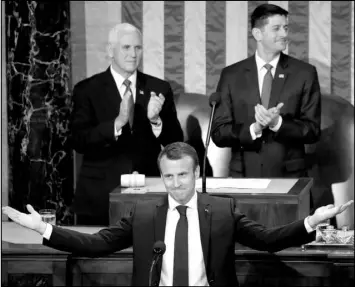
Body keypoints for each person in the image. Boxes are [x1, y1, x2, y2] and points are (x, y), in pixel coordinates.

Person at [3, 142, 353, 287]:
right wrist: (43, 229)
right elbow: (96, 244)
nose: (175, 183)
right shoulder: (142, 213)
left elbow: (267, 240)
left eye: (182, 174)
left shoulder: (221, 209)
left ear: (196, 172)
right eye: (168, 176)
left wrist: (311, 221)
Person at [70, 23, 183, 225]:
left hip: (148, 193)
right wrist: (117, 123)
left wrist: (156, 120)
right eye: (126, 47)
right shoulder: (87, 89)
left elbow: (176, 141)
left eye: (137, 48)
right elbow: (79, 140)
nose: (133, 54)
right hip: (100, 197)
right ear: (110, 51)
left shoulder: (159, 88)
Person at [211, 4, 321, 179]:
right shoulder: (231, 75)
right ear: (257, 34)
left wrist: (278, 123)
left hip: (289, 178)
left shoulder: (305, 73)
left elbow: (312, 130)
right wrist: (254, 128)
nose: (284, 34)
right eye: (276, 29)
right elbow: (219, 132)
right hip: (244, 177)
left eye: (286, 28)